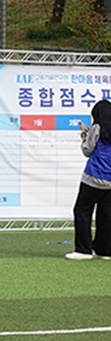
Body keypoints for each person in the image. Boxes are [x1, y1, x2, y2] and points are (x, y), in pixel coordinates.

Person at [66, 100, 111, 260]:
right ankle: (103, 251)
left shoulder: (97, 128)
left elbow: (87, 150)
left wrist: (85, 136)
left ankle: (83, 250)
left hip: (93, 177)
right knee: (106, 216)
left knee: (82, 211)